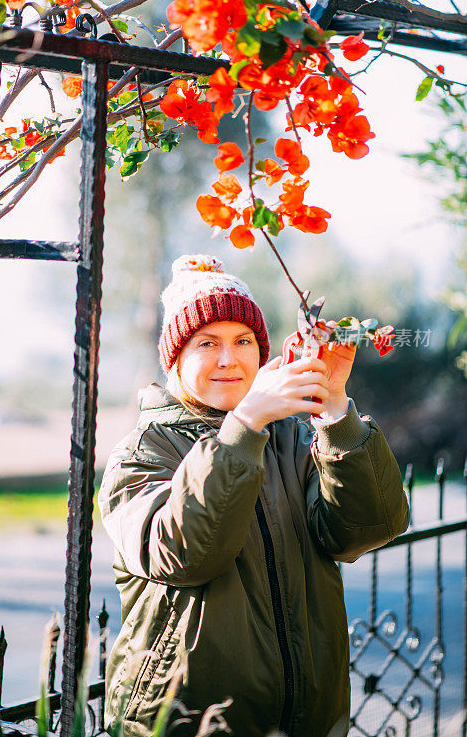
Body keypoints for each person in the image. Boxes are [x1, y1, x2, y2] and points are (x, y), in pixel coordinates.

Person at [98, 254, 409, 737]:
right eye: (207, 343)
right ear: (175, 358)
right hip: (187, 721)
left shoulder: (291, 439)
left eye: (243, 341)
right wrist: (243, 428)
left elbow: (367, 528)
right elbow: (184, 553)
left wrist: (335, 410)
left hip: (307, 716)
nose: (229, 359)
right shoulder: (142, 454)